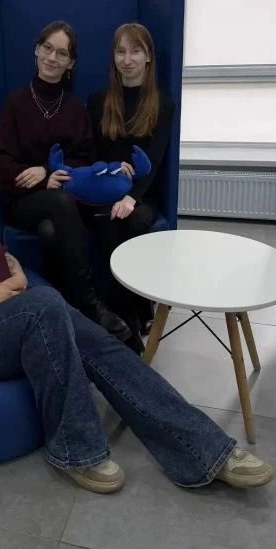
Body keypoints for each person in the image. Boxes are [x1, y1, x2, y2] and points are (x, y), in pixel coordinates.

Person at [0, 144, 274, 494]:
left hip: (7, 314)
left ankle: (204, 450)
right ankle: (76, 450)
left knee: (103, 346)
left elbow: (0, 254)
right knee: (45, 304)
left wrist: (15, 273)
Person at [0, 20, 133, 344]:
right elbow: (1, 162)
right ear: (37, 50)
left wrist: (51, 172)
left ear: (71, 64)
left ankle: (61, 312)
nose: (52, 57)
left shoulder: (74, 108)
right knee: (57, 204)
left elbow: (86, 158)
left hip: (66, 199)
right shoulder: (15, 104)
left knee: (51, 230)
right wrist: (42, 177)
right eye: (48, 48)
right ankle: (89, 302)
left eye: (62, 53)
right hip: (22, 199)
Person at [87, 22, 175, 344]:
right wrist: (111, 175)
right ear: (113, 56)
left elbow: (154, 161)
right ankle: (133, 322)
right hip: (106, 190)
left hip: (142, 194)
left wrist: (132, 198)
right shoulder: (98, 100)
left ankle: (135, 310)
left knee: (134, 221)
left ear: (148, 56)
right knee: (108, 222)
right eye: (121, 51)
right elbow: (94, 155)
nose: (127, 59)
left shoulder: (162, 103)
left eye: (135, 51)